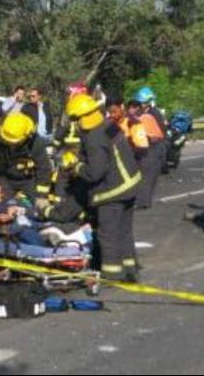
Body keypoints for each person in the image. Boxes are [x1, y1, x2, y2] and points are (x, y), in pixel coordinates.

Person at [63, 93, 142, 282]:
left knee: (108, 234)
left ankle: (113, 274)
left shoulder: (93, 138)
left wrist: (76, 166)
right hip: (129, 185)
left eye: (75, 119)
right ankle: (130, 269)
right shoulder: (108, 125)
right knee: (124, 230)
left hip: (112, 191)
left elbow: (95, 172)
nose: (74, 123)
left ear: (82, 117)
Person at [0, 112, 52, 205]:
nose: (12, 144)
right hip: (6, 179)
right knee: (4, 206)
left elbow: (43, 169)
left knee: (37, 208)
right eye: (9, 141)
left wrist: (42, 196)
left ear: (27, 136)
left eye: (15, 142)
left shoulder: (35, 143)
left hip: (29, 180)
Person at [130, 89, 166, 210]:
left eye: (143, 103)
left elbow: (156, 134)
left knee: (147, 175)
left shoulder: (151, 114)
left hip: (154, 148)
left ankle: (142, 202)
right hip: (152, 147)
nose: (141, 105)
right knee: (145, 175)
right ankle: (142, 201)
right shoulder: (149, 113)